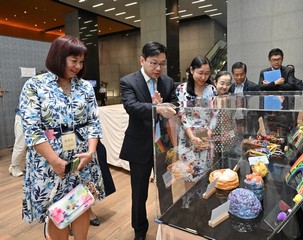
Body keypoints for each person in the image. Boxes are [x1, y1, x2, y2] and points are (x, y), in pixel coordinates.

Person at [18, 35, 105, 240]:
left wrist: (91, 153)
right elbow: (32, 129)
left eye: (81, 61)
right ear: (58, 57)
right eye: (73, 60)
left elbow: (94, 122)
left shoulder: (84, 87)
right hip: (49, 162)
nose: (78, 66)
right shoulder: (35, 86)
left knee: (81, 205)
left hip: (82, 160)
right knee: (58, 210)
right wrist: (55, 161)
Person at [119, 41, 177, 240]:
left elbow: (175, 104)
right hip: (140, 145)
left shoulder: (167, 81)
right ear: (142, 60)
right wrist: (155, 108)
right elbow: (132, 107)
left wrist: (166, 106)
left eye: (162, 63)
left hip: (163, 145)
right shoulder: (128, 81)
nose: (158, 68)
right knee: (139, 193)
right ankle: (140, 231)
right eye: (154, 63)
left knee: (166, 187)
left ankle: (169, 222)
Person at [176, 56, 217, 182]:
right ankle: (188, 202)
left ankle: (202, 201)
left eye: (207, 74)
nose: (204, 77)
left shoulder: (211, 90)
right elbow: (181, 114)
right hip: (187, 136)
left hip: (205, 136)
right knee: (189, 173)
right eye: (200, 73)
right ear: (192, 70)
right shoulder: (181, 89)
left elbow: (215, 113)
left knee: (204, 173)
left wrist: (209, 132)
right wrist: (191, 136)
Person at [9, 106, 26, 177]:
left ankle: (30, 166)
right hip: (23, 115)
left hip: (40, 117)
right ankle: (14, 166)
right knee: (21, 143)